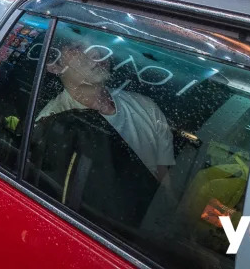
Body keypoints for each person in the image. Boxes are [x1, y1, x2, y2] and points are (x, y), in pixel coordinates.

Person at [35, 25, 175, 182]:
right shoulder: (51, 123)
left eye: (99, 43)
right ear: (54, 65)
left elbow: (164, 180)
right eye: (78, 47)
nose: (97, 53)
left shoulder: (146, 106)